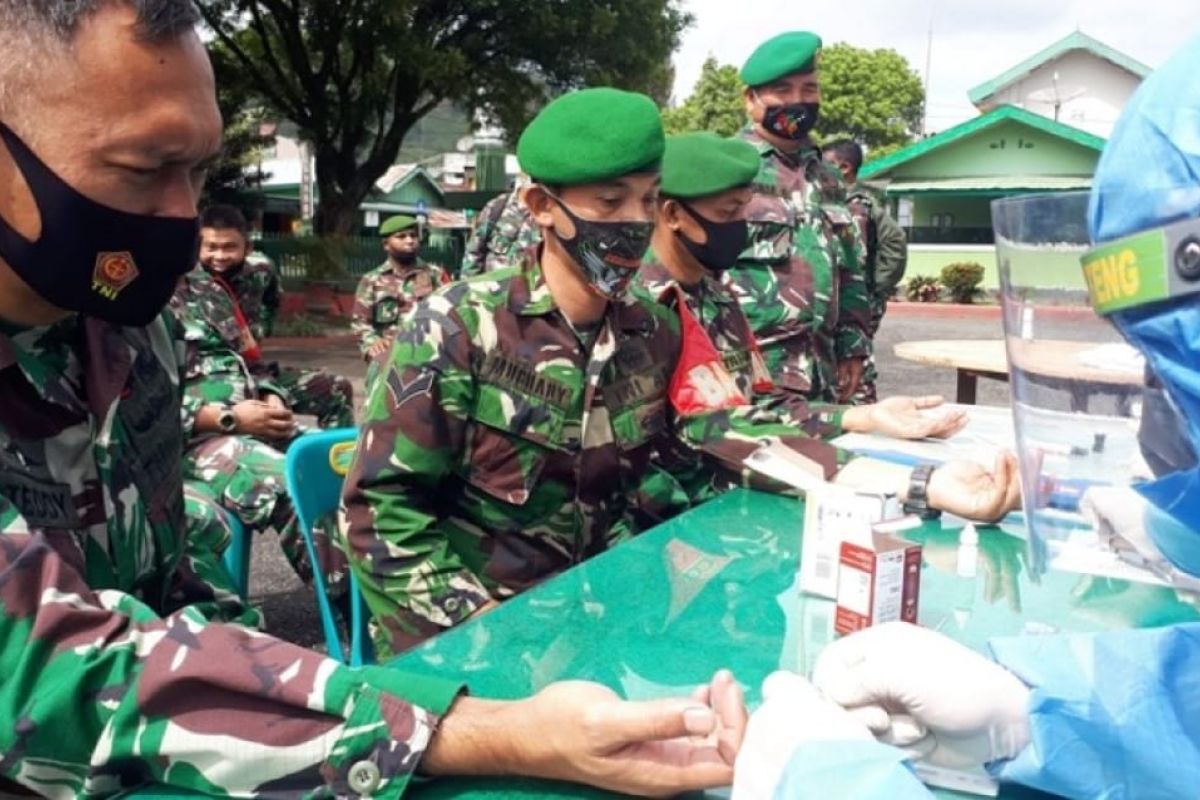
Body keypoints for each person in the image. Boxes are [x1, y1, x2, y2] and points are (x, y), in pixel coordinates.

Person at [0, 4, 749, 795]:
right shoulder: (454, 325)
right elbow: (48, 664)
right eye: (143, 167)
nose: (187, 223)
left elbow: (173, 594)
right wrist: (469, 722)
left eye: (199, 172)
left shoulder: (126, 328)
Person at [340, 91, 1020, 661]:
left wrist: (926, 485)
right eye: (610, 203)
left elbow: (730, 437)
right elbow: (381, 513)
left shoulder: (655, 328)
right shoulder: (458, 327)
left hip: (607, 624)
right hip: (476, 640)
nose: (635, 224)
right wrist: (487, 638)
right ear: (541, 207)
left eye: (647, 200)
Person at [734, 32, 1200, 800]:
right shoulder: (730, 181)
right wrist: (1044, 715)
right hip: (785, 403)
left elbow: (862, 273)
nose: (1158, 391)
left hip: (829, 392)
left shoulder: (836, 185)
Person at [727, 31, 872, 404]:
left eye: (809, 89)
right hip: (747, 372)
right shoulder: (726, 171)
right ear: (751, 99)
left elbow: (851, 268)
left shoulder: (829, 178)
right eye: (782, 90)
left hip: (822, 374)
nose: (797, 101)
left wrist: (854, 346)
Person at [199, 203, 354, 428]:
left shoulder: (260, 271)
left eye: (230, 247)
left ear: (248, 247)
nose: (220, 256)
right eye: (211, 247)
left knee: (336, 387)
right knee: (261, 418)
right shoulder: (185, 283)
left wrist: (261, 328)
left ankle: (338, 457)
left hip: (253, 369)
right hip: (209, 380)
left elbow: (272, 301)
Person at [822, 139, 908, 404]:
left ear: (844, 167)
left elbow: (853, 262)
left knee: (855, 367)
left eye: (826, 165)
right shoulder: (859, 202)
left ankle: (861, 416)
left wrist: (873, 292)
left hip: (852, 303)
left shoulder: (853, 206)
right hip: (859, 301)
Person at [351, 214, 451, 365]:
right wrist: (373, 344)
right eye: (401, 236)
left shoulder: (435, 275)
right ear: (386, 244)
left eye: (413, 236)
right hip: (388, 356)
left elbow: (452, 314)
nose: (410, 241)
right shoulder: (372, 280)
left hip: (430, 355)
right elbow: (360, 322)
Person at [459, 180, 541, 278]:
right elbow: (473, 253)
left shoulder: (549, 216)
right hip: (490, 289)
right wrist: (469, 289)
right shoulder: (498, 206)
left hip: (527, 290)